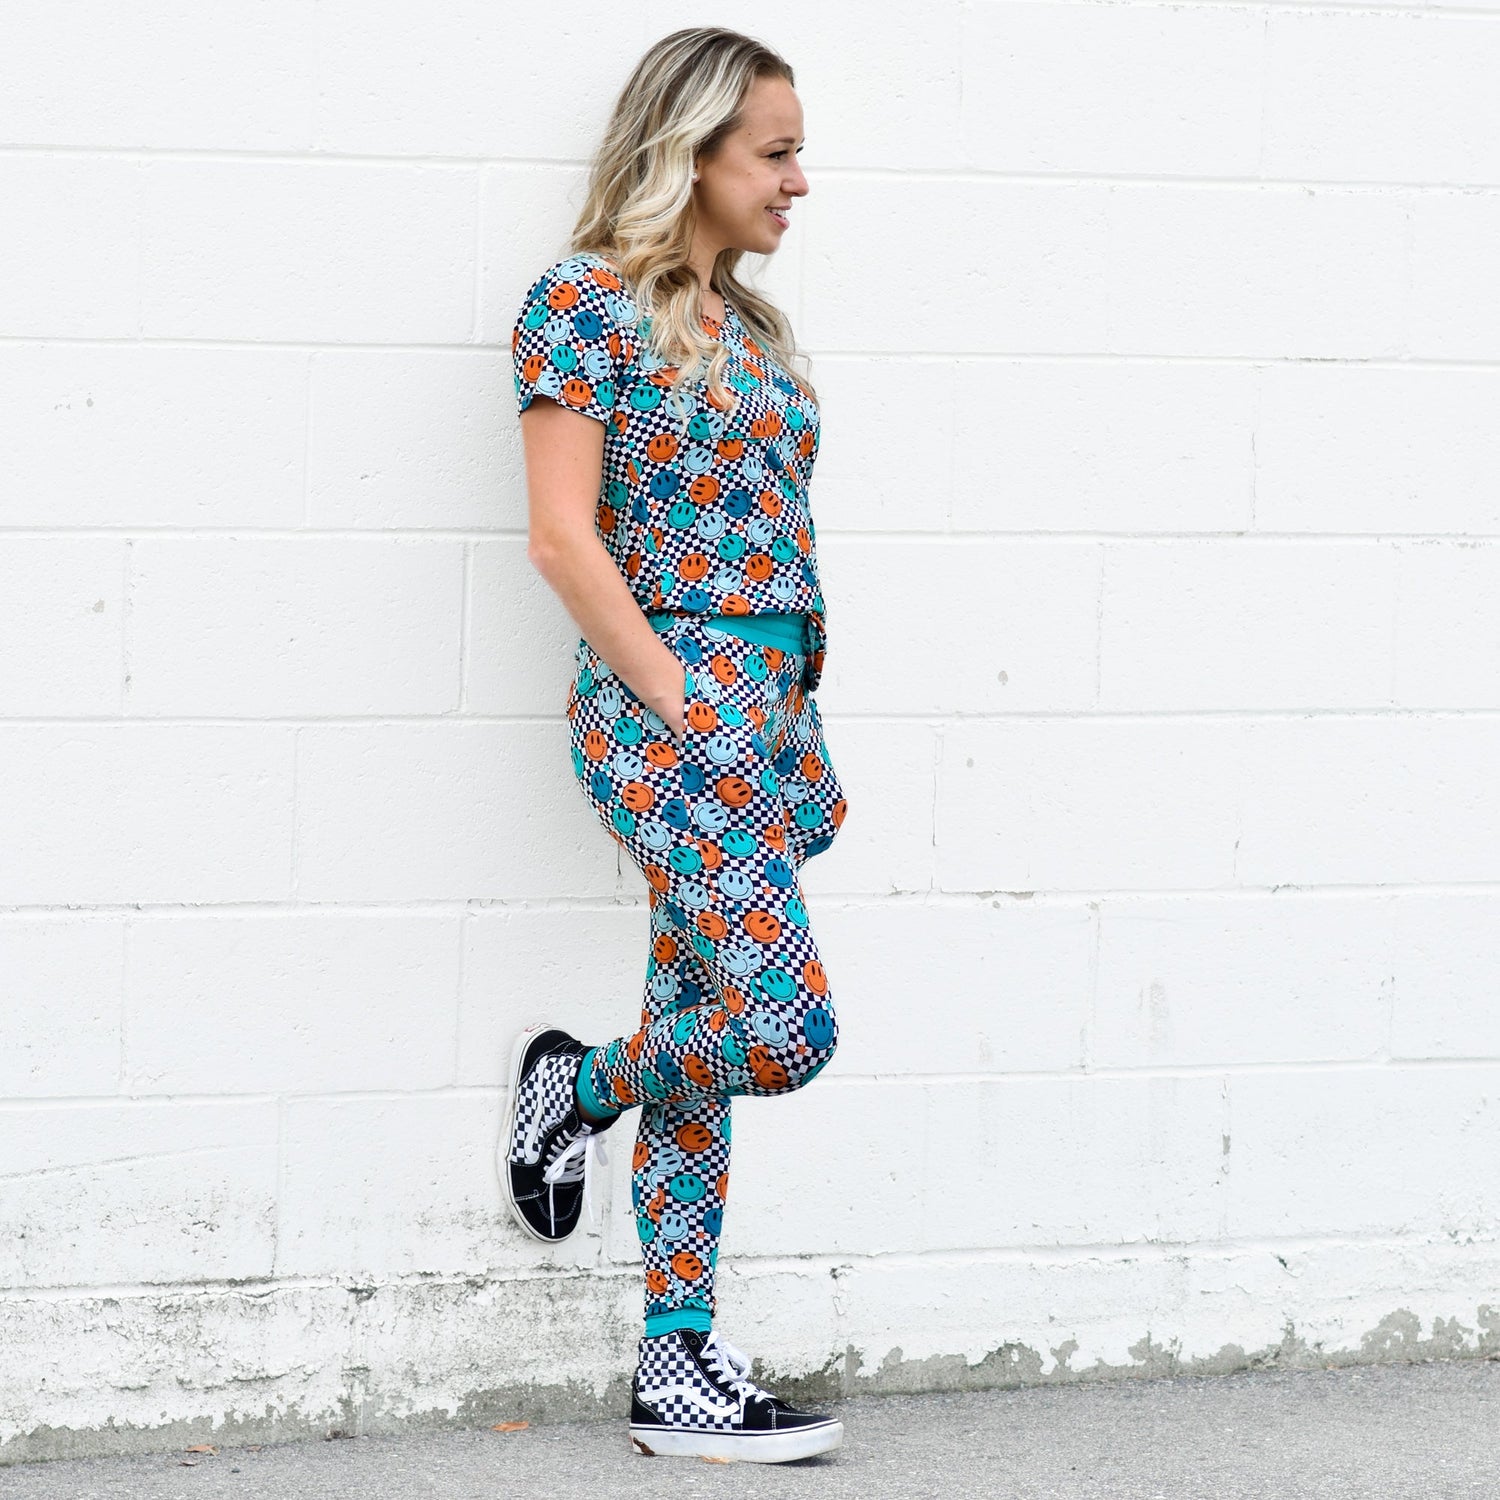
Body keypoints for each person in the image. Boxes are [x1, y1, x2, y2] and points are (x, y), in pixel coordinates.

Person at [499, 26, 848, 1465]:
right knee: (785, 1029)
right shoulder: (581, 305)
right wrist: (679, 698)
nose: (798, 181)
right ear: (690, 151)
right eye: (775, 152)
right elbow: (561, 538)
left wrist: (778, 716)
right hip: (673, 719)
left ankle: (678, 1362)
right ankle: (577, 1088)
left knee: (703, 1023)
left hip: (765, 722)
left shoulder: (751, 331)